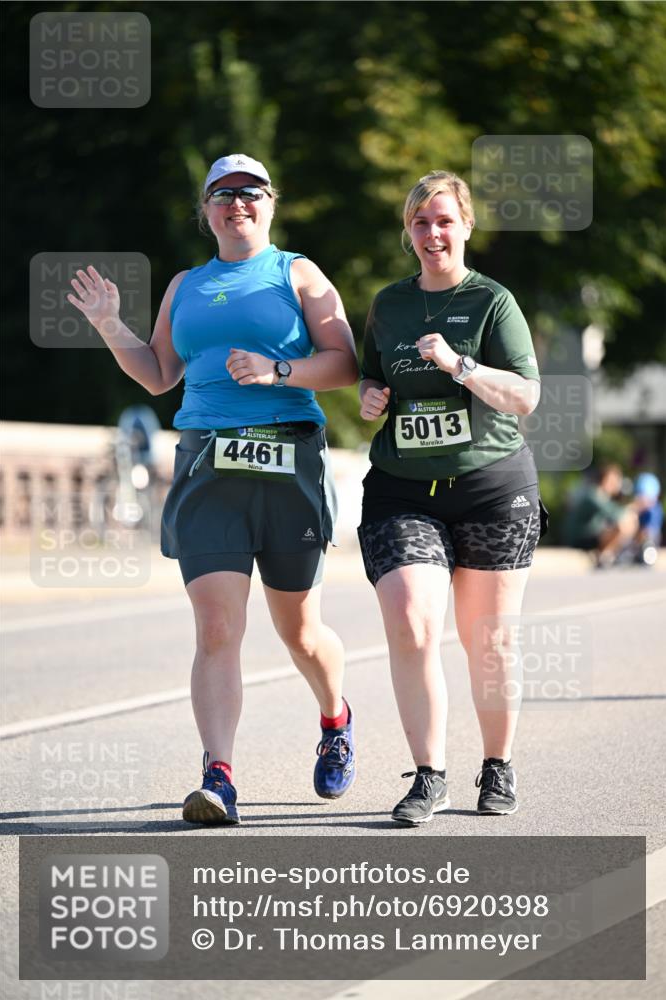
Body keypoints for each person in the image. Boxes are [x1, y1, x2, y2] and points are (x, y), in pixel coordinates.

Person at [67, 152, 359, 825]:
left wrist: (277, 368)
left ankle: (335, 718)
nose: (237, 203)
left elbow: (344, 364)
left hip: (288, 463)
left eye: (250, 192)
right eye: (222, 195)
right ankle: (219, 776)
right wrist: (111, 325)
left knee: (302, 633)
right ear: (206, 211)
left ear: (270, 203)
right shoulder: (185, 286)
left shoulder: (298, 273)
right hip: (208, 465)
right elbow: (158, 374)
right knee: (218, 627)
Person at [358, 170, 546, 826]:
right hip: (401, 489)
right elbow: (369, 380)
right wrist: (368, 397)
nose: (431, 232)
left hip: (491, 487)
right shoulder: (387, 305)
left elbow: (525, 395)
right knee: (411, 620)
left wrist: (460, 365)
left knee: (488, 641)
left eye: (442, 220)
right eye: (419, 222)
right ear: (407, 233)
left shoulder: (492, 302)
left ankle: (496, 765)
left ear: (465, 226)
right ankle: (427, 775)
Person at [563, 463, 637, 567]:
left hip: (590, 535)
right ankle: (605, 556)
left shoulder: (602, 495)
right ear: (605, 479)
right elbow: (615, 514)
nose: (617, 484)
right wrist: (633, 508)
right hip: (580, 538)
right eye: (615, 481)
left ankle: (616, 553)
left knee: (627, 522)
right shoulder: (594, 495)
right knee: (623, 526)